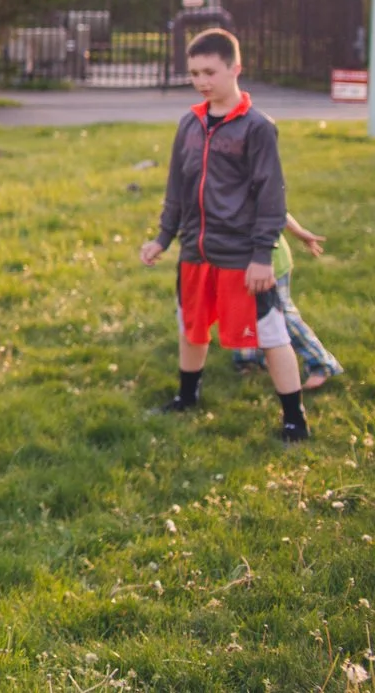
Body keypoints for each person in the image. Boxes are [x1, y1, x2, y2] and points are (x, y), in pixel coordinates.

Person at [140, 27, 308, 443]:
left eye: (210, 72)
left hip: (242, 258)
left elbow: (271, 196)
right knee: (191, 327)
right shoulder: (190, 123)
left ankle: (294, 419)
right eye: (195, 73)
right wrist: (163, 238)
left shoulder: (257, 129)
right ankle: (187, 397)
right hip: (195, 252)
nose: (202, 82)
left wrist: (261, 255)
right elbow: (176, 188)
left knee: (270, 336)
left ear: (236, 68)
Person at [232, 211, 342, 389]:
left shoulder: (248, 184)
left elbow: (276, 209)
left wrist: (299, 232)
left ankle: (321, 363)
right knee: (243, 309)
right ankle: (250, 357)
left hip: (269, 263)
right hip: (234, 264)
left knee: (280, 316)